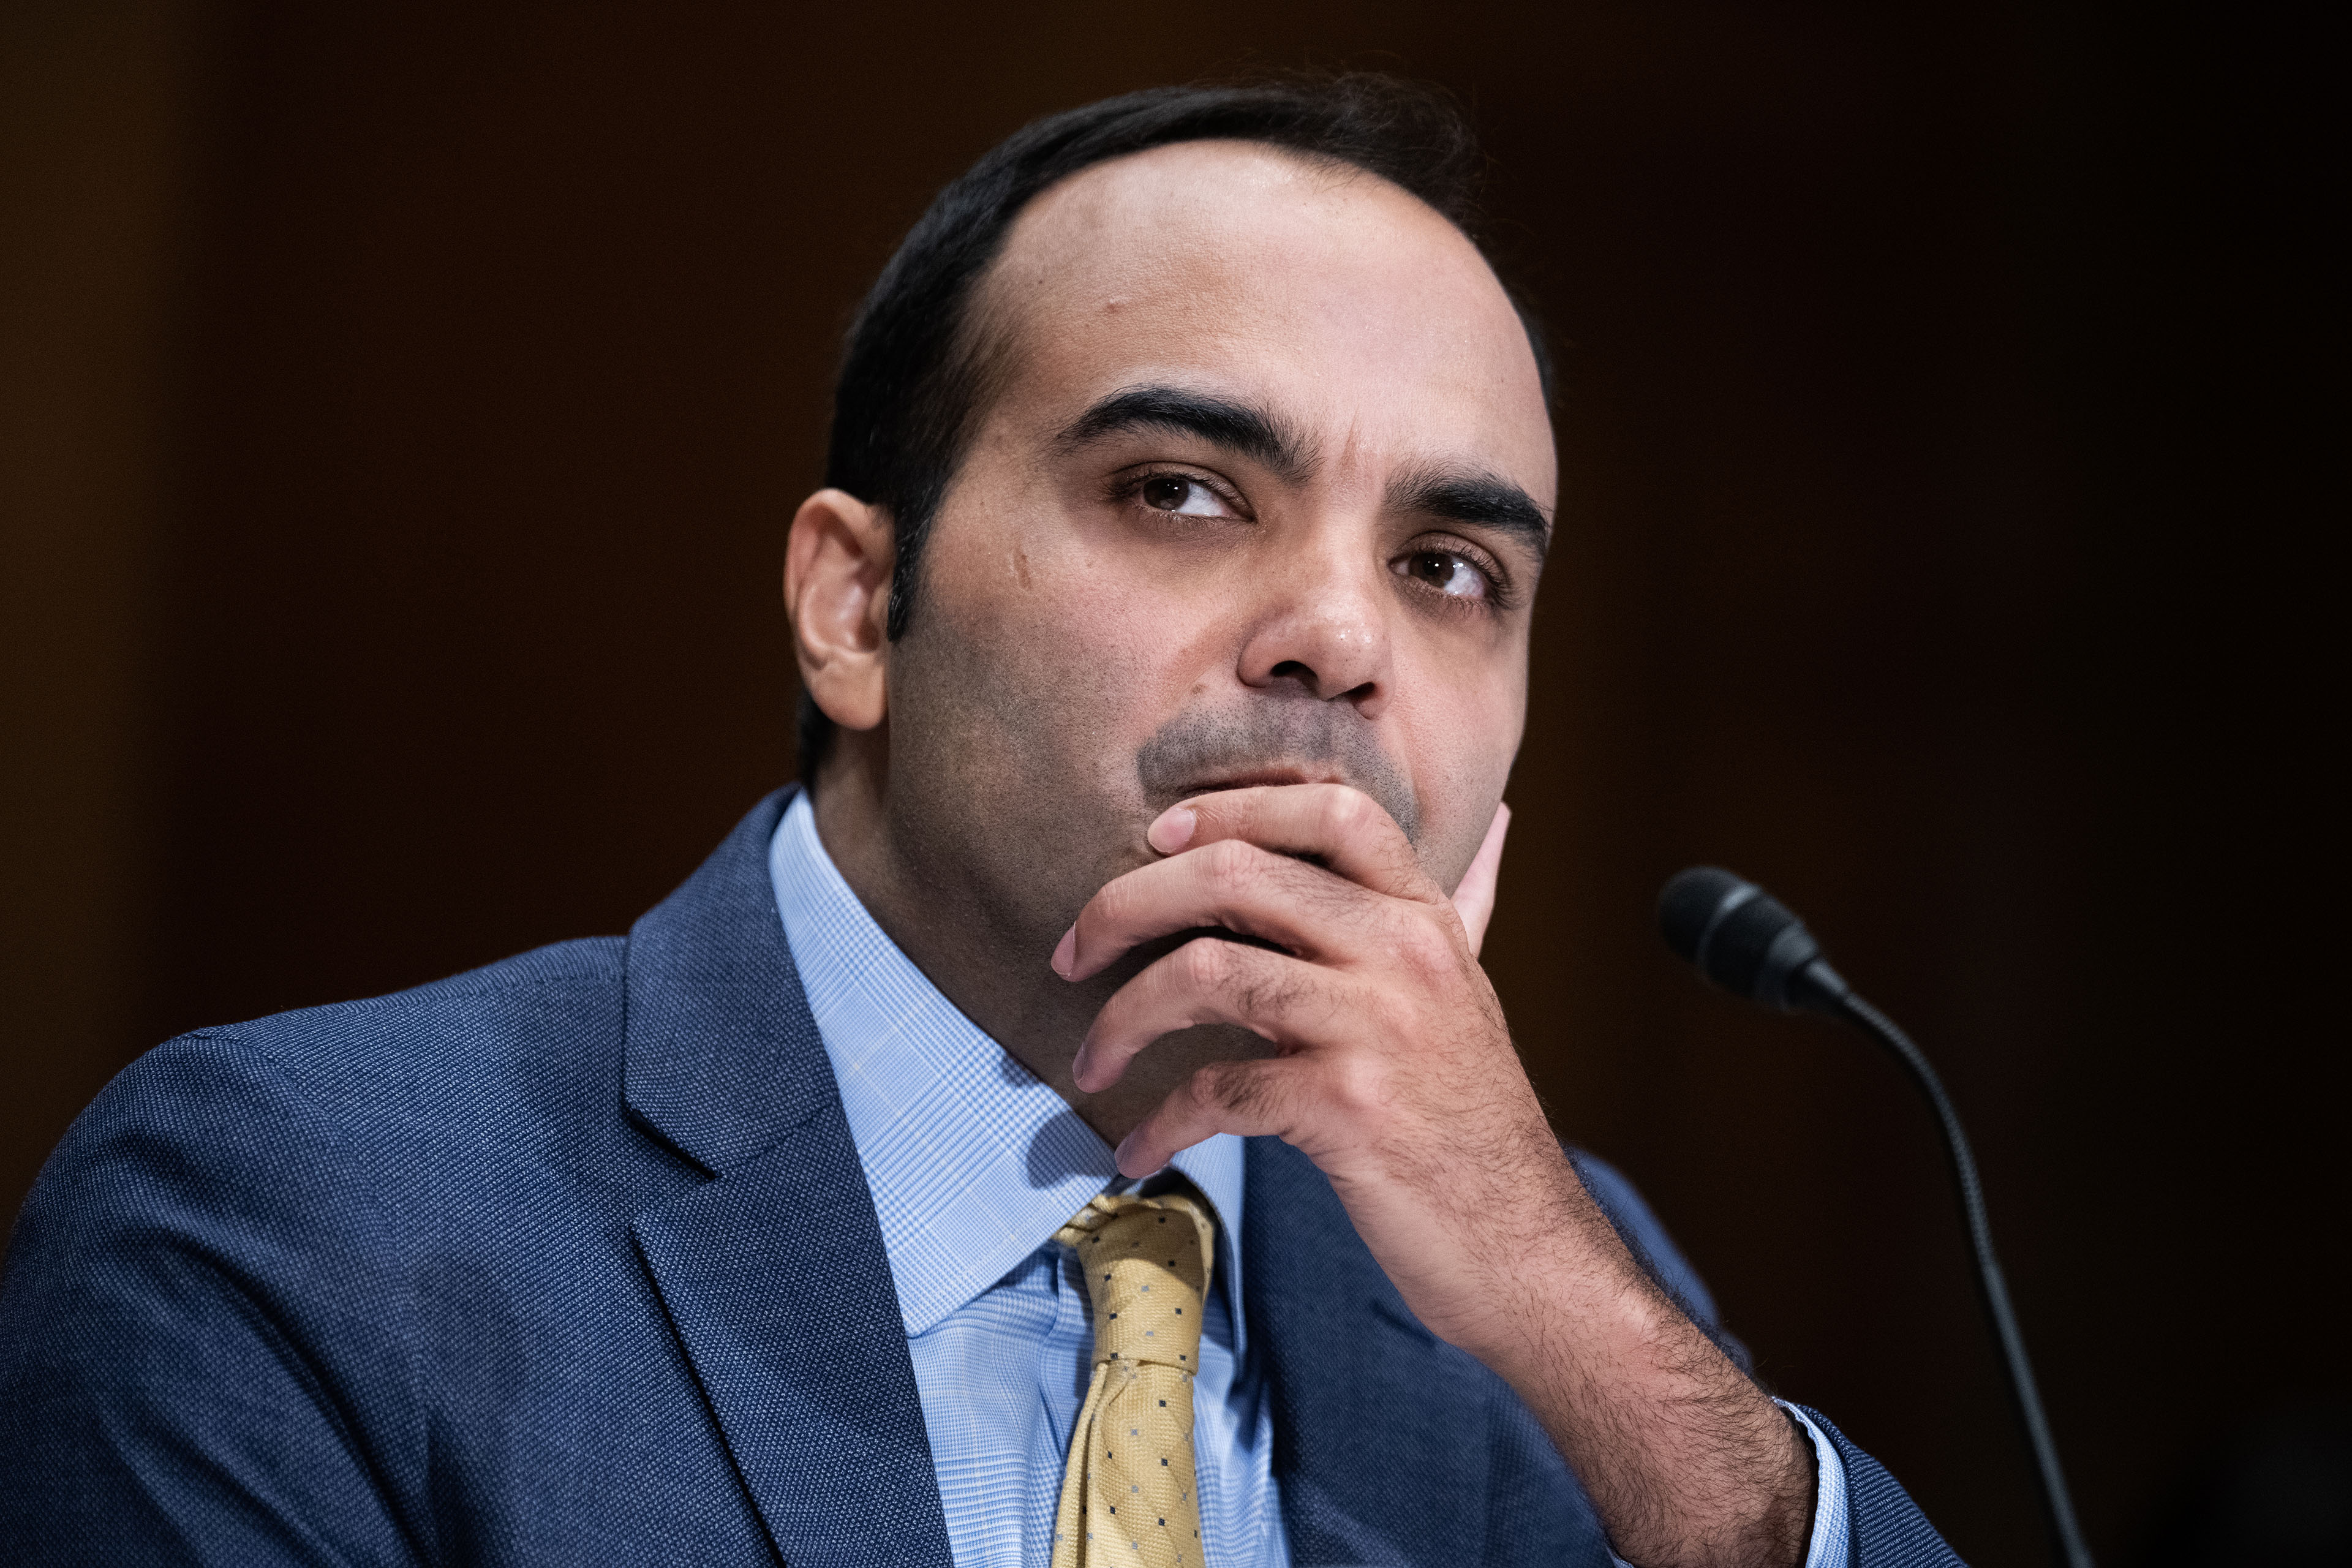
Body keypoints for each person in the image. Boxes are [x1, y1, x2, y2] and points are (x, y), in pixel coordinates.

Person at [0, 76, 1962, 1567]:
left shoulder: (1558, 1293)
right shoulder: (295, 1222)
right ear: (859, 608)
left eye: (1450, 566)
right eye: (1182, 490)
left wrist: (1596, 1341)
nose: (1344, 639)